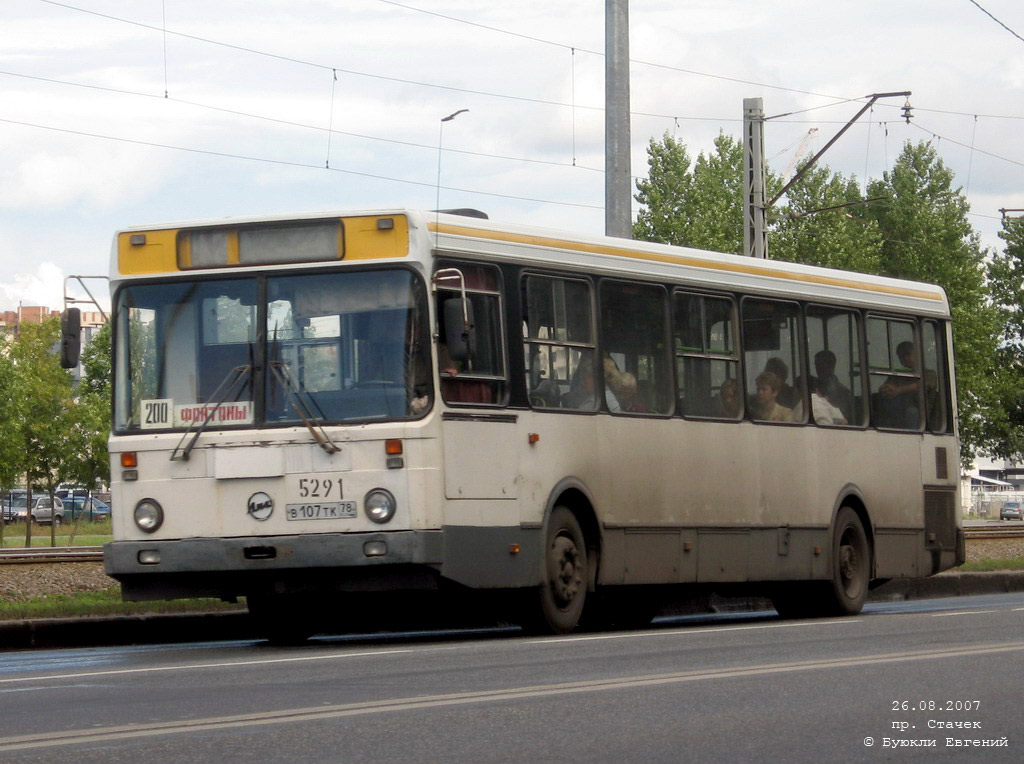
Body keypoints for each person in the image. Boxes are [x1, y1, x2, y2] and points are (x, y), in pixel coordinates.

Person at [878, 341, 920, 428]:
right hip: (898, 410)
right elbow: (886, 386)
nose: (905, 358)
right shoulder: (898, 375)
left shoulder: (929, 373)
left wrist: (898, 390)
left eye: (908, 354)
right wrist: (884, 390)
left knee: (912, 412)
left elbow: (921, 386)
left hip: (920, 413)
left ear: (916, 354)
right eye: (901, 356)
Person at [813, 349, 854, 421]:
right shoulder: (811, 386)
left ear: (831, 365)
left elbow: (843, 419)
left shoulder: (843, 393)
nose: (817, 368)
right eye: (816, 365)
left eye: (821, 364)